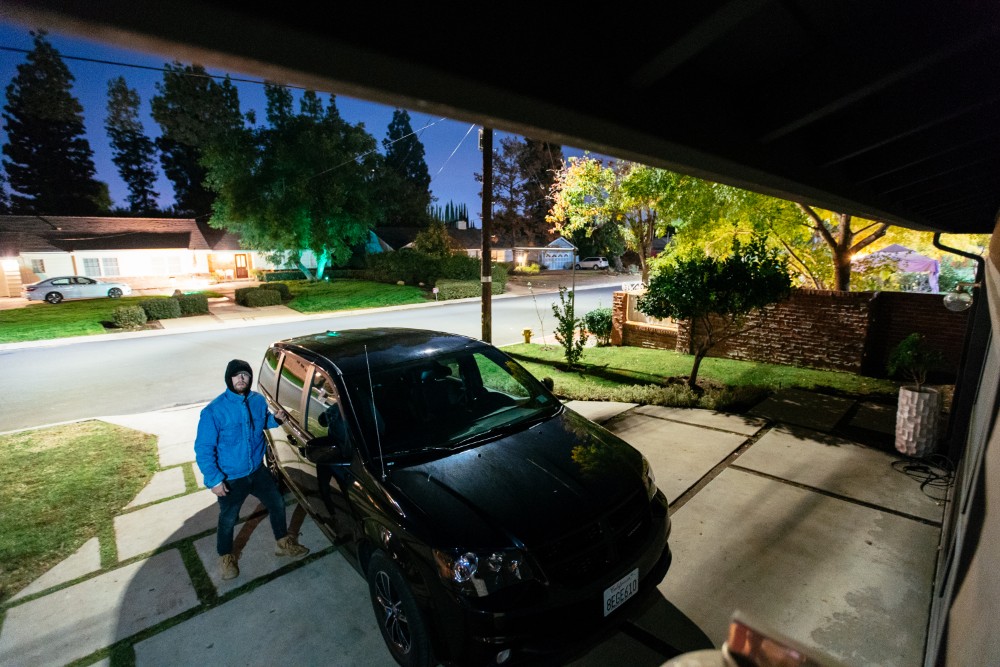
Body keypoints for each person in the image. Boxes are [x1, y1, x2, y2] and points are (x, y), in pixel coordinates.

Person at [194, 359, 309, 580]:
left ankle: (282, 543)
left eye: (245, 375)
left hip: (257, 470)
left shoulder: (257, 401)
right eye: (236, 375)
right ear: (229, 379)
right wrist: (214, 480)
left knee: (276, 502)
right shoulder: (214, 411)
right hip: (230, 476)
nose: (241, 379)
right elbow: (204, 448)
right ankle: (226, 557)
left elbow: (262, 421)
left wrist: (275, 420)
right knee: (228, 518)